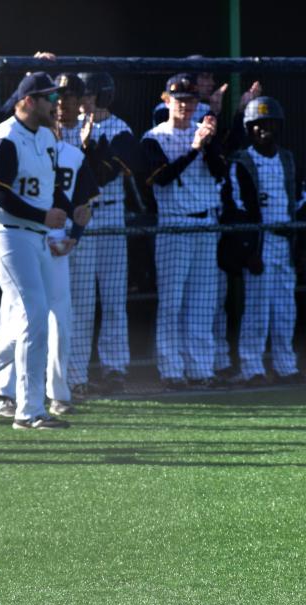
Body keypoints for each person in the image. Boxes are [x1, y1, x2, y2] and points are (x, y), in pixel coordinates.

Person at [0, 72, 87, 430]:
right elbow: (0, 195)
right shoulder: (5, 138)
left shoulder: (47, 137)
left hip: (34, 235)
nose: (56, 104)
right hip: (6, 234)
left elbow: (50, 188)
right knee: (34, 315)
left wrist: (72, 207)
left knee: (29, 321)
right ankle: (30, 410)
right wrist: (43, 215)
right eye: (49, 98)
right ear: (29, 101)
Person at [0, 116, 99, 419]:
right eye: (54, 108)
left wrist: (74, 232)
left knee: (53, 320)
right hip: (14, 235)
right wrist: (46, 221)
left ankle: (54, 395)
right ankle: (2, 391)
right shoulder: (8, 138)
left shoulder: (65, 151)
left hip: (51, 242)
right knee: (21, 319)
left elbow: (73, 200)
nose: (58, 118)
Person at [142, 73, 227, 390]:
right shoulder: (154, 137)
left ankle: (201, 368)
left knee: (203, 301)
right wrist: (194, 148)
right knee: (172, 301)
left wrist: (209, 144)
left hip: (205, 224)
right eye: (180, 101)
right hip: (175, 225)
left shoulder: (202, 131)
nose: (186, 106)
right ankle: (171, 370)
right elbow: (160, 177)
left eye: (191, 101)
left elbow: (221, 170)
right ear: (167, 101)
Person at [221, 97, 304, 384]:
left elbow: (299, 198)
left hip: (285, 241)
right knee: (257, 308)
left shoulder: (287, 159)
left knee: (285, 309)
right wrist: (247, 251)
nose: (263, 130)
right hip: (260, 242)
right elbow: (238, 209)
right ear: (249, 129)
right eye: (257, 125)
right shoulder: (242, 162)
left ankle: (285, 366)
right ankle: (251, 367)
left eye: (268, 124)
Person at [69, 71, 136, 394]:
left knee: (113, 298)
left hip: (110, 215)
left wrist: (89, 150)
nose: (83, 100)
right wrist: (84, 146)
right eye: (82, 94)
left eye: (87, 94)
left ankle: (114, 368)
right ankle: (77, 374)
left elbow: (106, 173)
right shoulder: (66, 128)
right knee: (81, 301)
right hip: (82, 218)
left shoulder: (120, 129)